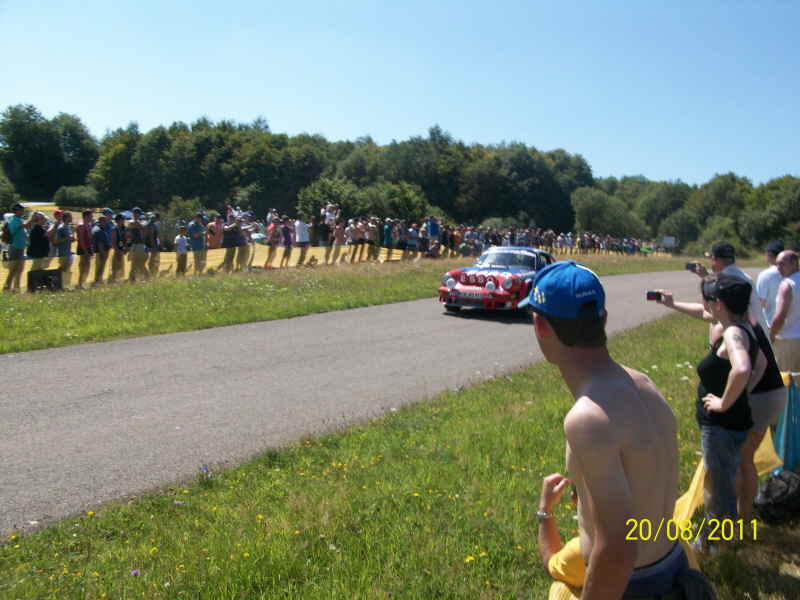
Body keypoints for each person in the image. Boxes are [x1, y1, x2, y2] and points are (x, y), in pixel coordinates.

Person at [520, 261, 686, 597]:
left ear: (540, 325)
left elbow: (618, 550)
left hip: (632, 585)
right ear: (604, 318)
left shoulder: (588, 419)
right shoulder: (643, 382)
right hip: (676, 566)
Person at [770, 250, 800, 374]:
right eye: (777, 264)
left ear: (794, 264)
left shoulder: (787, 285)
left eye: (782, 264)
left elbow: (780, 316)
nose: (778, 268)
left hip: (788, 340)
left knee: (787, 381)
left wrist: (771, 333)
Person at [756, 241, 784, 333]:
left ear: (768, 255)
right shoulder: (792, 273)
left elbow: (760, 302)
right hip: (791, 326)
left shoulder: (765, 275)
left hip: (770, 324)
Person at [2, 203, 28, 292]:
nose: (22, 211)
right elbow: (13, 231)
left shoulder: (19, 219)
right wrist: (24, 224)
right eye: (21, 209)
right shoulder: (13, 220)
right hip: (15, 247)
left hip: (20, 247)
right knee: (13, 269)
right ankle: (6, 288)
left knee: (19, 269)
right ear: (16, 210)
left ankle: (16, 288)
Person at [75, 210, 94, 289]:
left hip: (88, 248)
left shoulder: (89, 225)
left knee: (87, 266)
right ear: (86, 216)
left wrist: (91, 249)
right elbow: (81, 240)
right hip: (82, 249)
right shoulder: (81, 226)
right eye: (91, 216)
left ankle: (82, 282)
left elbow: (90, 238)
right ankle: (79, 284)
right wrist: (85, 251)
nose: (92, 217)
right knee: (82, 266)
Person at [55, 211, 75, 288]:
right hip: (62, 251)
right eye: (70, 216)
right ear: (66, 218)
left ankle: (63, 285)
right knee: (62, 269)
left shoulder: (67, 227)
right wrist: (68, 239)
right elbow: (57, 240)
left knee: (65, 268)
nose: (71, 218)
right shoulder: (62, 227)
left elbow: (70, 238)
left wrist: (71, 239)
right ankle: (59, 285)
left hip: (67, 250)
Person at [91, 215, 112, 285]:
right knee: (99, 267)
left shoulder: (101, 228)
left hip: (102, 251)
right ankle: (97, 281)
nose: (106, 222)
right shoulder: (99, 230)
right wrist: (103, 253)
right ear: (101, 221)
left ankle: (99, 280)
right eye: (105, 221)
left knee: (100, 267)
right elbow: (100, 243)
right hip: (101, 252)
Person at [110, 214, 128, 282]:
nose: (124, 220)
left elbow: (126, 238)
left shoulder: (124, 228)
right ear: (119, 220)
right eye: (123, 219)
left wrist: (126, 248)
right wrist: (117, 251)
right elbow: (113, 242)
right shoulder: (114, 229)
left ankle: (119, 279)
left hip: (122, 249)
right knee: (115, 265)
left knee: (121, 265)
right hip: (117, 250)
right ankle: (114, 279)